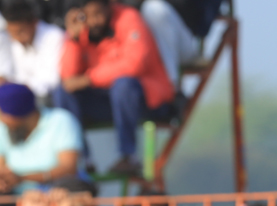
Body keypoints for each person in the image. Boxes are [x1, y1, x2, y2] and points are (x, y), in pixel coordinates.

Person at [56, 0, 176, 176]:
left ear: (108, 6)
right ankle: (81, 159)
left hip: (144, 99)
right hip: (108, 102)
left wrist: (89, 79)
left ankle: (128, 155)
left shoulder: (128, 18)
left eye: (98, 14)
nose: (94, 21)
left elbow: (135, 64)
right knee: (63, 92)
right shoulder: (81, 30)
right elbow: (68, 77)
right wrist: (73, 39)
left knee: (123, 86)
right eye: (88, 16)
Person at [0, 82, 81, 194]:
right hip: (15, 196)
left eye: (1, 114)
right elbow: (2, 166)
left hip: (55, 194)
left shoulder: (60, 120)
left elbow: (69, 169)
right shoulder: (3, 128)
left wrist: (22, 178)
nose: (1, 119)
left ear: (14, 113)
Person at [0, 0, 66, 101]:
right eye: (12, 33)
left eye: (20, 32)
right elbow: (21, 77)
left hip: (51, 99)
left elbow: (53, 81)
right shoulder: (17, 42)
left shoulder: (55, 37)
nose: (16, 38)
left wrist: (21, 88)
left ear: (34, 23)